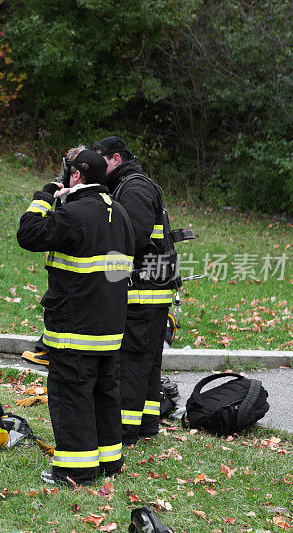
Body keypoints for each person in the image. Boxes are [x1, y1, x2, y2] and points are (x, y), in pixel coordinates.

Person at [17, 147, 134, 485]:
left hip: (74, 326)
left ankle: (76, 470)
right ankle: (109, 461)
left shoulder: (74, 214)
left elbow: (28, 234)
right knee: (104, 393)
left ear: (76, 175)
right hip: (110, 327)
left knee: (72, 396)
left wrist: (46, 196)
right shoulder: (120, 213)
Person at [91, 136, 170, 446]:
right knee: (147, 364)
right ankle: (147, 424)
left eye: (100, 161)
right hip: (152, 293)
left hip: (141, 293)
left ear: (115, 159)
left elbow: (131, 239)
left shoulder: (134, 189)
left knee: (131, 364)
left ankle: (123, 432)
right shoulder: (133, 184)